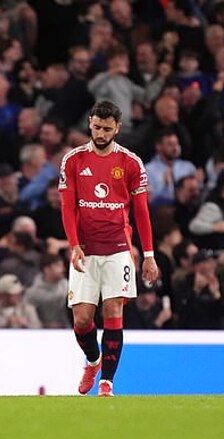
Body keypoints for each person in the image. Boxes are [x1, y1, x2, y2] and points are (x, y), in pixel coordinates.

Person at [58, 100, 158, 397]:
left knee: (113, 310)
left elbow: (141, 212)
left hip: (118, 248)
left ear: (118, 128)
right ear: (90, 123)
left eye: (107, 129)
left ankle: (107, 383)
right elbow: (67, 207)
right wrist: (74, 245)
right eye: (97, 127)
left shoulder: (130, 163)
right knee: (82, 320)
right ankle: (93, 362)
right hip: (85, 250)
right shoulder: (73, 160)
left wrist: (149, 255)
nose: (101, 134)